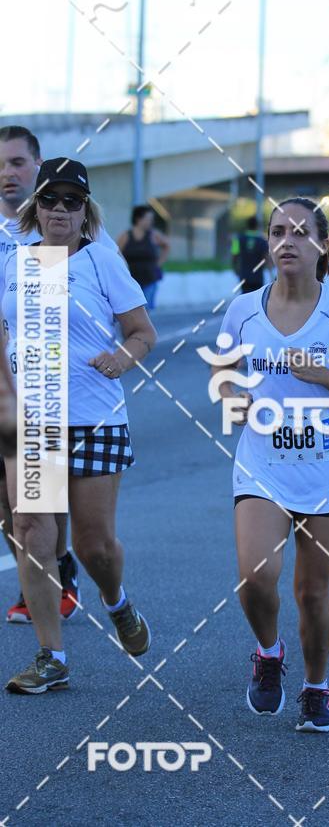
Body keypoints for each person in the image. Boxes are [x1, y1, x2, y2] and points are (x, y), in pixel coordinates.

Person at [212, 196, 329, 732]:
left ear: (323, 246)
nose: (287, 241)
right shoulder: (243, 310)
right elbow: (223, 372)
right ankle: (269, 653)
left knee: (312, 594)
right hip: (261, 465)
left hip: (327, 471)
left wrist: (322, 376)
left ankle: (316, 687)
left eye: (299, 232)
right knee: (255, 577)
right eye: (277, 232)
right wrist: (231, 397)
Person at [3, 158, 157, 693]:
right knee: (31, 530)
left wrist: (121, 358)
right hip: (34, 420)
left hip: (95, 418)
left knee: (95, 547)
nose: (60, 209)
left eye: (72, 200)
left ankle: (116, 602)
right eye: (50, 198)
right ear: (36, 206)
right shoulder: (15, 262)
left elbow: (142, 332)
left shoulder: (101, 261)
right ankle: (52, 656)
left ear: (84, 209)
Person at [0, 125, 119, 624]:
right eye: (0, 165)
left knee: (39, 503)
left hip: (50, 397)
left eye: (16, 162)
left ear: (36, 164)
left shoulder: (71, 232)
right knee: (11, 507)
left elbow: (106, 301)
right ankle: (49, 568)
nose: (7, 173)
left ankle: (56, 574)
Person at [117, 205, 170, 310]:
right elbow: (116, 253)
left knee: (145, 311)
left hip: (149, 280)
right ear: (138, 219)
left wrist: (158, 264)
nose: (151, 222)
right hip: (130, 282)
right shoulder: (126, 236)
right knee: (131, 310)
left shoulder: (153, 235)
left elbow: (167, 246)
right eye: (148, 219)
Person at [230, 216, 271, 293]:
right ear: (257, 226)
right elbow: (267, 258)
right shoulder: (262, 241)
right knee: (257, 297)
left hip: (244, 276)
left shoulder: (238, 239)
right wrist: (270, 272)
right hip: (258, 277)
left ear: (247, 225)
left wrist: (235, 270)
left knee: (245, 297)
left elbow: (234, 256)